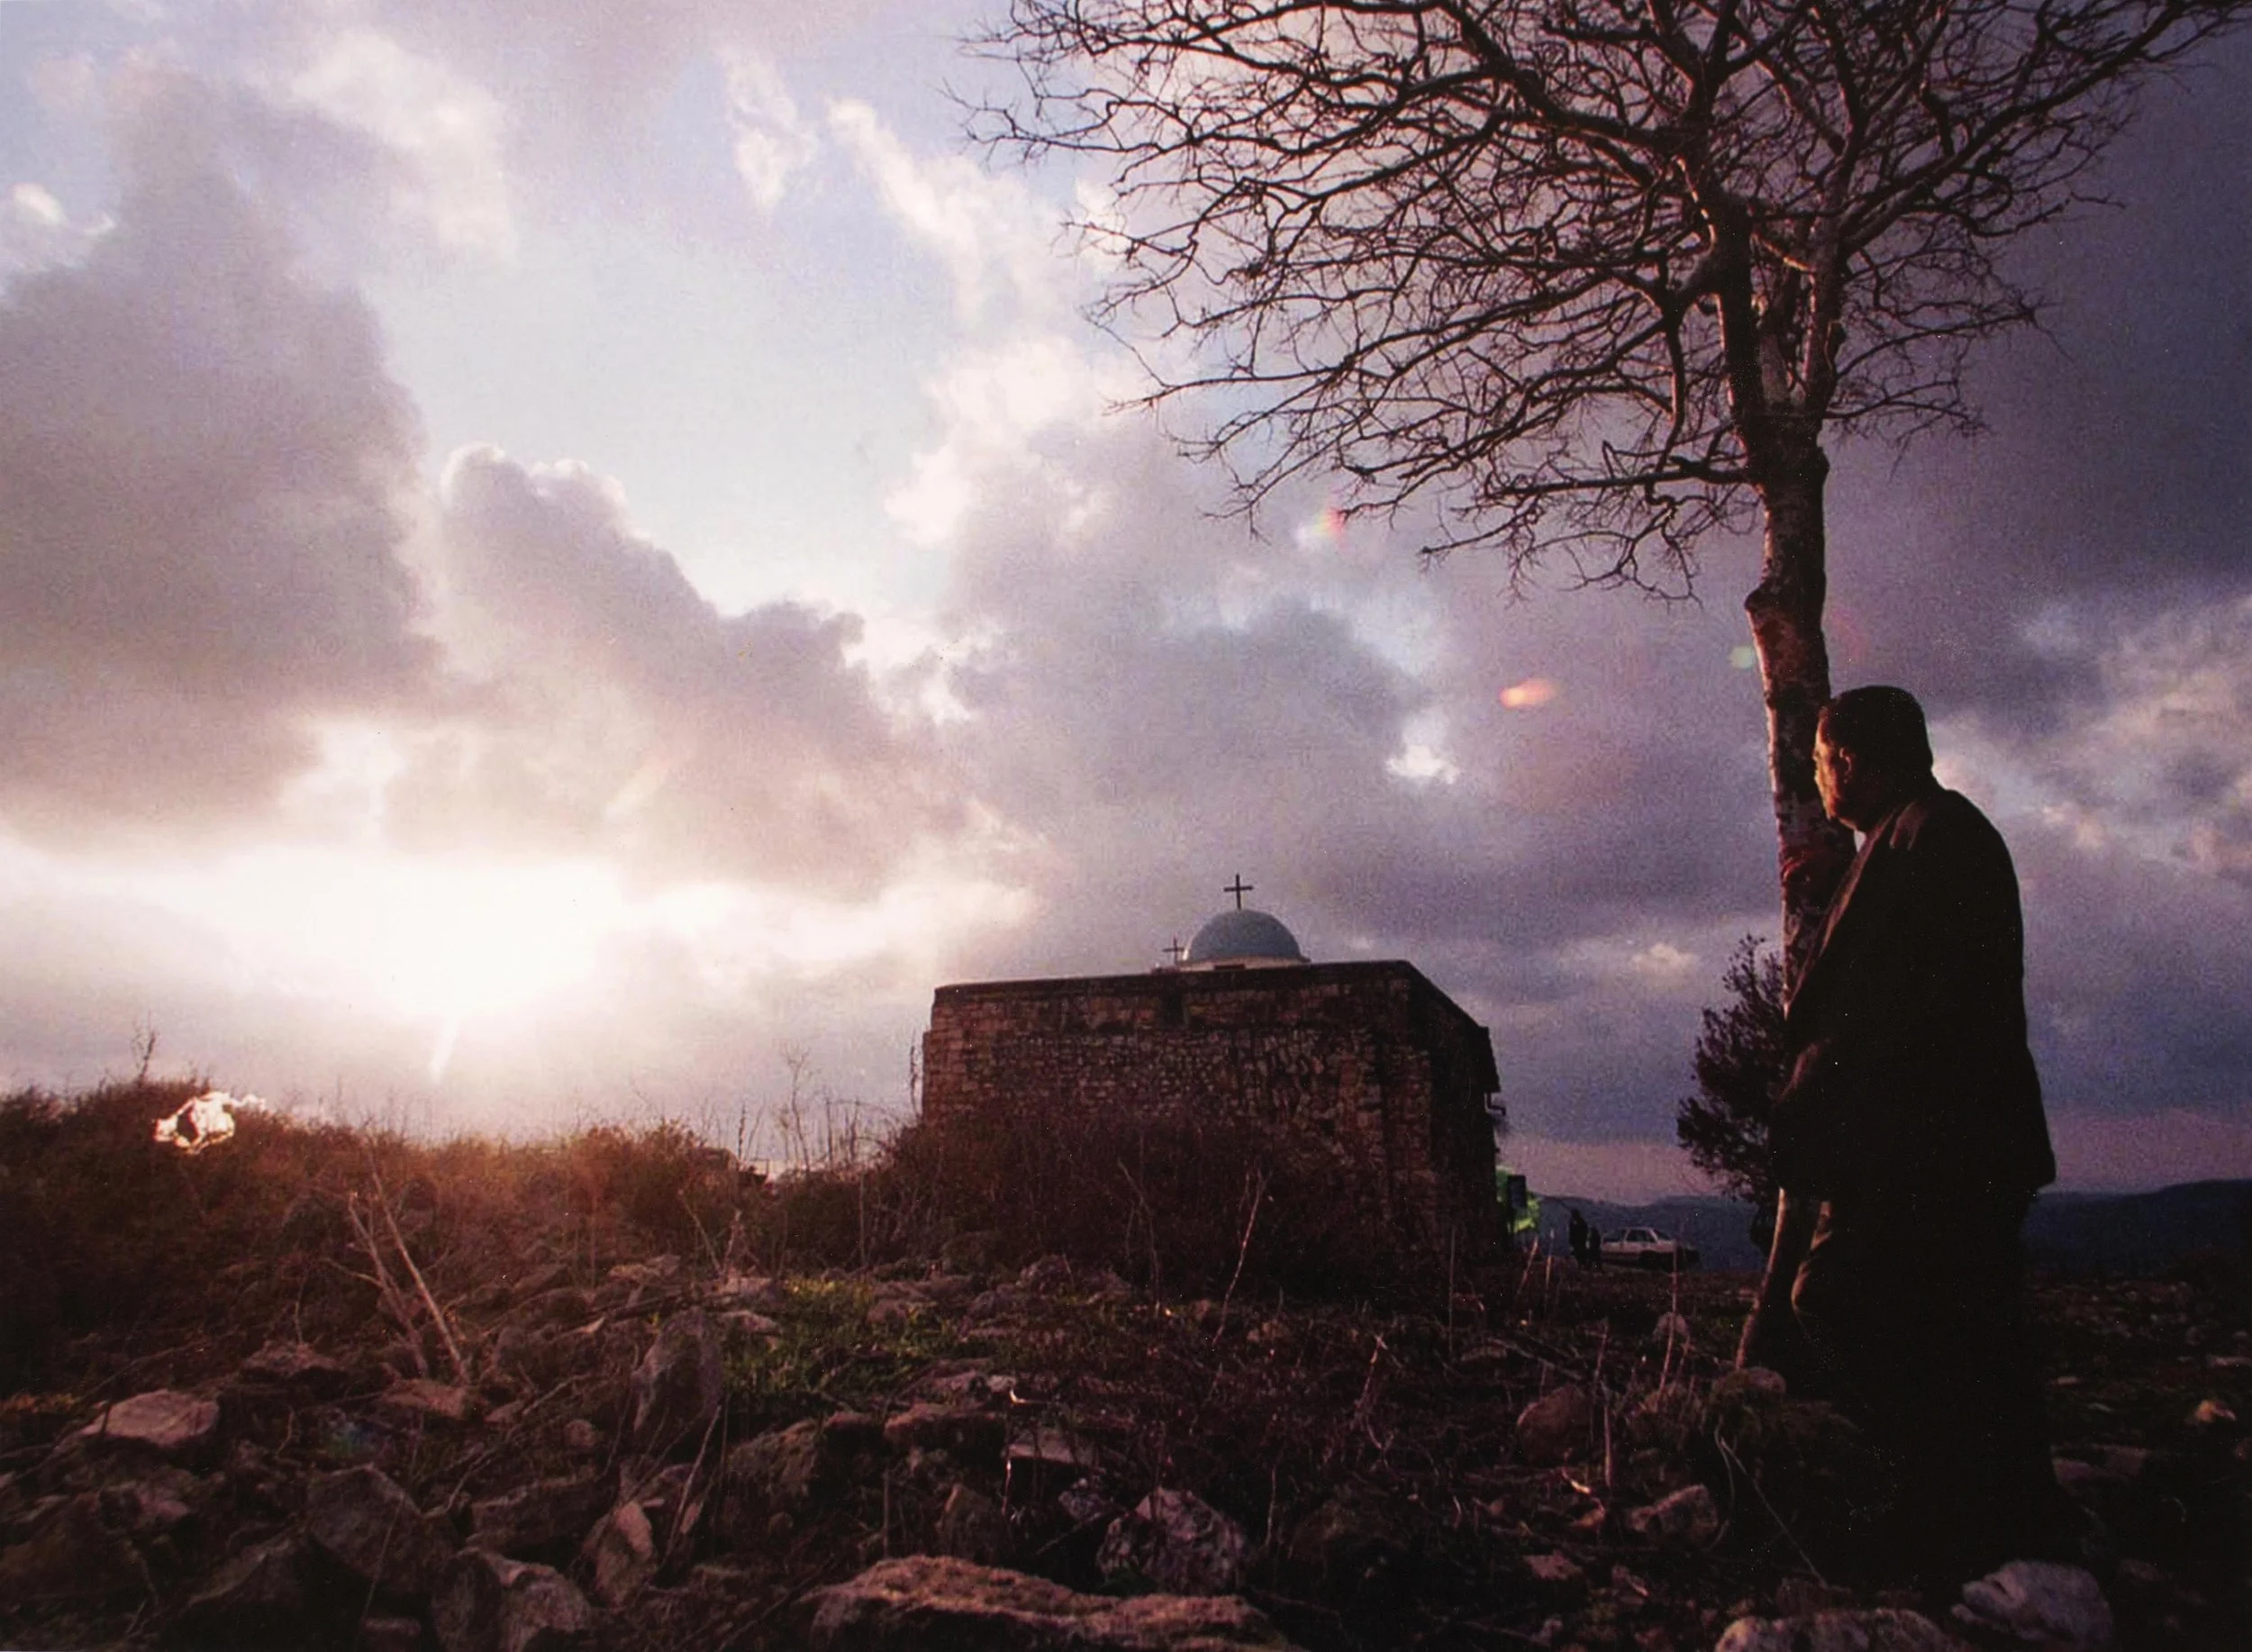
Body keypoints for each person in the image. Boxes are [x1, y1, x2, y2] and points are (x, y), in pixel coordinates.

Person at [1737, 685, 2061, 1584]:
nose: (1815, 777)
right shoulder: (1926, 835)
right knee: (1972, 1334)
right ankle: (2007, 1517)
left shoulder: (1930, 843)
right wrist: (1839, 885)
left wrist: (1831, 1129)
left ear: (1848, 761)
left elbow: (1896, 1008)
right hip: (1957, 1145)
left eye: (1818, 763)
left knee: (1841, 1299)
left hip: (1930, 1151)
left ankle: (1945, 1513)